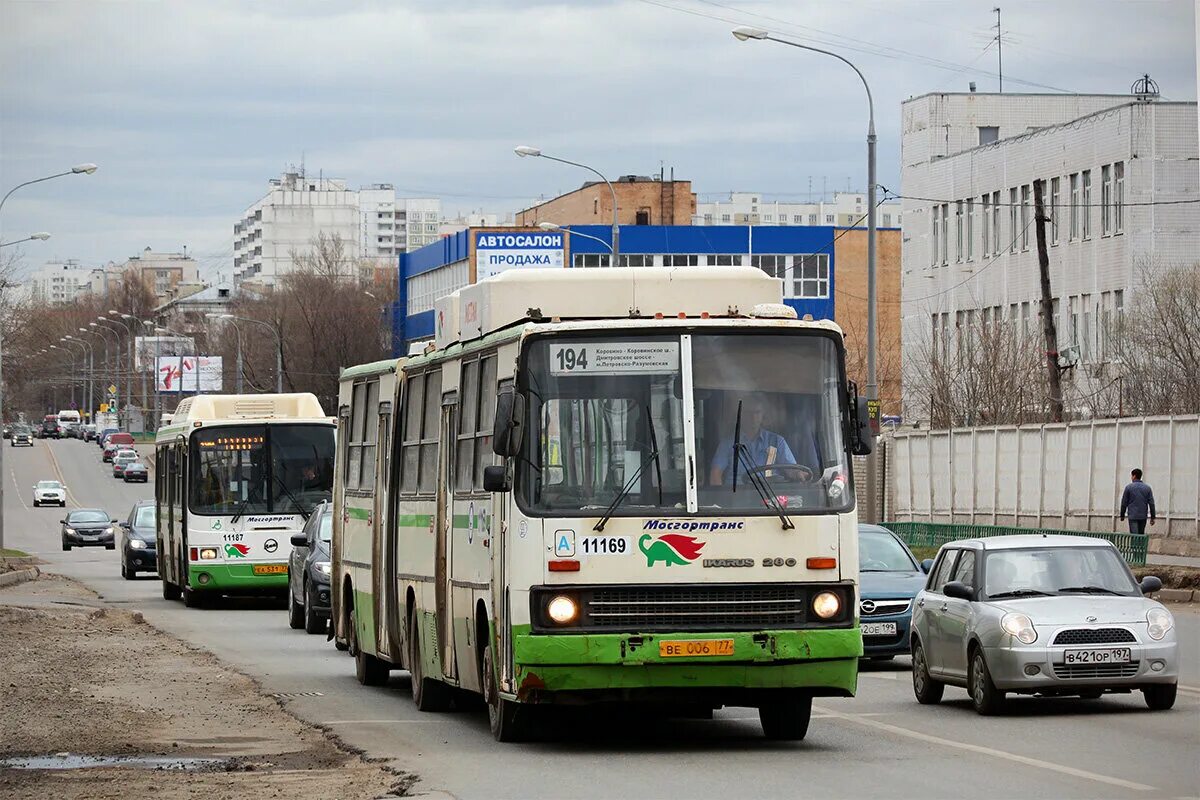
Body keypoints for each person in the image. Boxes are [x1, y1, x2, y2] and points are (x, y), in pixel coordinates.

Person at [709, 397, 817, 485]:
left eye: (757, 412)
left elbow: (790, 469)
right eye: (748, 412)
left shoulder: (777, 441)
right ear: (741, 415)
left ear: (762, 416)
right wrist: (723, 501)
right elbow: (715, 474)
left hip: (770, 501)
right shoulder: (728, 443)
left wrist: (799, 474)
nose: (753, 417)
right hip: (736, 500)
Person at [1119, 468, 1156, 536]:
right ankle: (1140, 546)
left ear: (1134, 476)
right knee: (1141, 535)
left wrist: (1122, 515)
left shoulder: (1128, 487)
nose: (1131, 477)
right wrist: (1152, 517)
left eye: (1131, 476)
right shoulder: (1147, 488)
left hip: (1132, 516)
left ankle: (1135, 546)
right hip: (1143, 516)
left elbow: (1124, 503)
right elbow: (1151, 503)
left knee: (1134, 535)